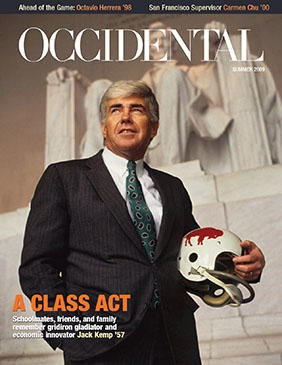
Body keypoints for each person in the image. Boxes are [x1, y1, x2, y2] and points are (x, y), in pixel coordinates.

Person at [19, 80, 265, 365]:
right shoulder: (64, 178)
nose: (125, 117)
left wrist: (243, 267)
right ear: (103, 127)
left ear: (154, 127)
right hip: (99, 348)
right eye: (115, 110)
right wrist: (67, 332)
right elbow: (37, 266)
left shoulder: (173, 187)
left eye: (136, 109)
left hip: (174, 343)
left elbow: (192, 262)